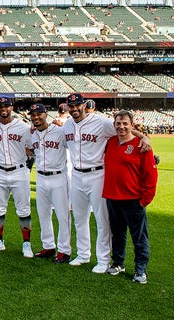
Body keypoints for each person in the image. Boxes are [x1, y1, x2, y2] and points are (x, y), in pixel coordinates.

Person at [63, 93, 150, 273]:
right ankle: (83, 254)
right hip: (77, 175)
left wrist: (143, 137)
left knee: (102, 220)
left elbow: (124, 130)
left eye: (77, 105)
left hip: (97, 174)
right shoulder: (67, 125)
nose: (74, 109)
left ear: (84, 105)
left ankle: (103, 260)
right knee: (79, 218)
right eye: (71, 106)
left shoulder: (101, 122)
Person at [103, 110, 158, 284]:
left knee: (139, 237)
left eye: (125, 123)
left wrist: (145, 199)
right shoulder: (111, 142)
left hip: (133, 199)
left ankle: (141, 270)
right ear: (114, 125)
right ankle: (118, 263)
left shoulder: (142, 146)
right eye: (118, 123)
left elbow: (151, 175)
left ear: (131, 125)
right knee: (117, 234)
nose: (121, 127)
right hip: (112, 197)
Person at [0, 97, 34, 258]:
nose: (3, 108)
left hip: (19, 170)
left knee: (24, 208)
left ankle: (26, 243)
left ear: (12, 107)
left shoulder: (23, 127)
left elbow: (31, 149)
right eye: (0, 106)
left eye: (6, 105)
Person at [28, 103, 71, 263]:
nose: (36, 117)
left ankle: (65, 251)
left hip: (58, 176)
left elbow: (73, 145)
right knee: (43, 213)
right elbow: (31, 150)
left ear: (46, 114)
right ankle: (49, 246)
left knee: (63, 215)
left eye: (39, 114)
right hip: (41, 177)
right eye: (33, 115)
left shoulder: (60, 131)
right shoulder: (32, 134)